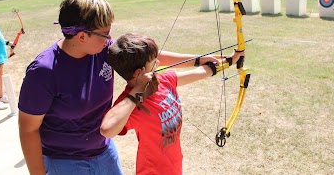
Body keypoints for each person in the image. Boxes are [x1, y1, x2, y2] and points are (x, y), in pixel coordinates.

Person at [18, 0, 219, 175]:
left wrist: (199, 60)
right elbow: (28, 130)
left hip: (104, 153)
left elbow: (145, 57)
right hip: (64, 163)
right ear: (81, 36)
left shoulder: (102, 49)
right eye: (105, 33)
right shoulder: (44, 72)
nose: (109, 38)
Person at [100, 33, 245, 175]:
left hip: (174, 165)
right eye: (154, 62)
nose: (158, 63)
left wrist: (231, 60)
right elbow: (107, 130)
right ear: (140, 73)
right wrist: (137, 90)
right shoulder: (130, 103)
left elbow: (202, 72)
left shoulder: (163, 80)